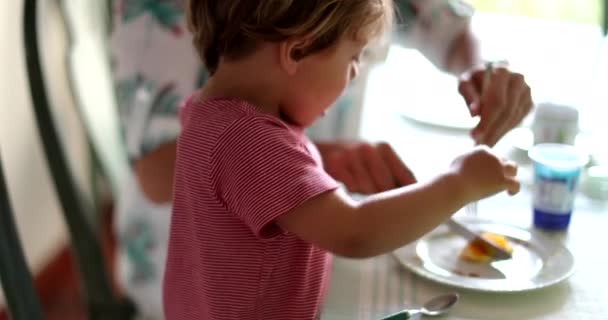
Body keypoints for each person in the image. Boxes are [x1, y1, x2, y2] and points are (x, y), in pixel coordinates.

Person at [109, 0, 532, 318]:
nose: (354, 75)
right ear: (296, 51)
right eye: (353, 58)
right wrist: (459, 182)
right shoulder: (255, 144)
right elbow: (354, 232)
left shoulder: (204, 112)